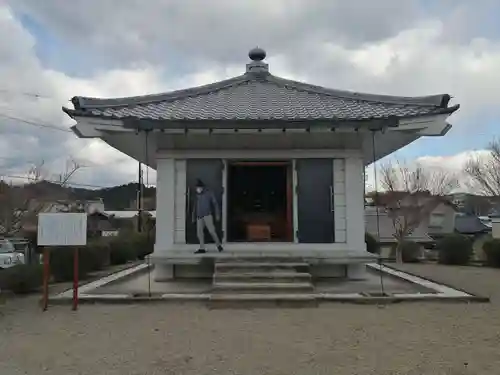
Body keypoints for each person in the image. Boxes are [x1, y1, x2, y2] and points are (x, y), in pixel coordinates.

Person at [192, 179, 223, 254]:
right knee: (199, 232)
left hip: (207, 215)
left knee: (211, 231)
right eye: (197, 188)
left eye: (199, 188)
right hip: (199, 216)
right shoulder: (197, 195)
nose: (198, 189)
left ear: (202, 187)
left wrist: (217, 214)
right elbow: (195, 207)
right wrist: (193, 216)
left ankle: (218, 245)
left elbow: (215, 204)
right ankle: (202, 248)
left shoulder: (209, 193)